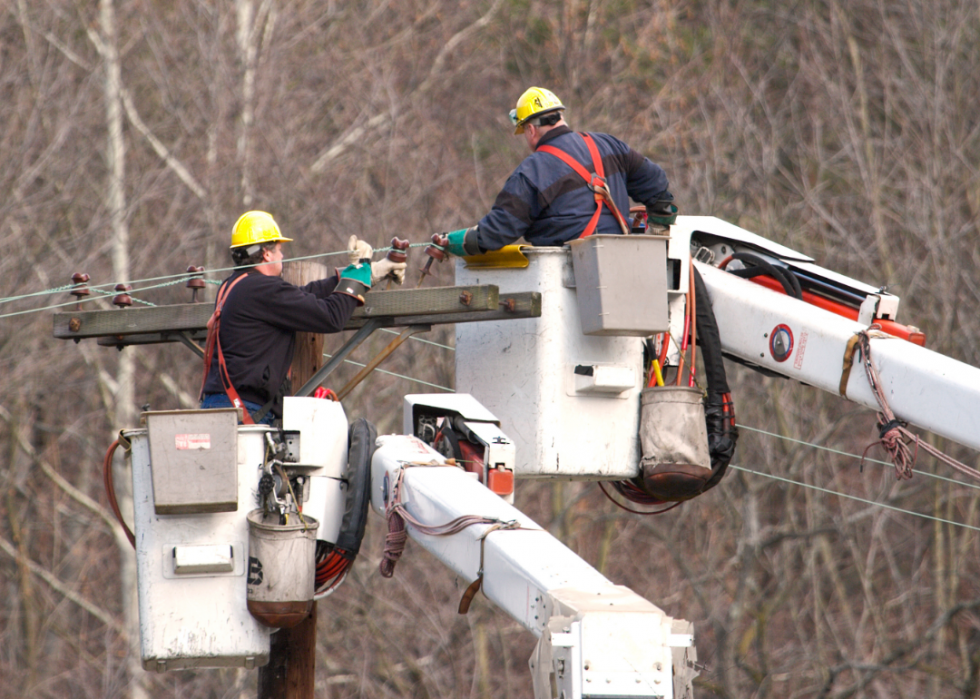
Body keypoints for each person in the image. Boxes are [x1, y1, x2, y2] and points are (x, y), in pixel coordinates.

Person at [199, 210, 406, 424]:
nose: (282, 256)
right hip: (243, 410)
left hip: (223, 407)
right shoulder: (261, 289)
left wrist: (365, 273)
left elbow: (304, 295)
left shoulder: (233, 287)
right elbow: (331, 316)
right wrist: (357, 273)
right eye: (279, 250)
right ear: (266, 254)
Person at [440, 87, 677, 257]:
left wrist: (457, 242)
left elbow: (500, 230)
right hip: (625, 261)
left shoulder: (534, 170)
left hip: (566, 273)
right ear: (560, 118)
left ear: (530, 130)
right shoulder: (610, 145)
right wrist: (658, 234)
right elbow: (657, 185)